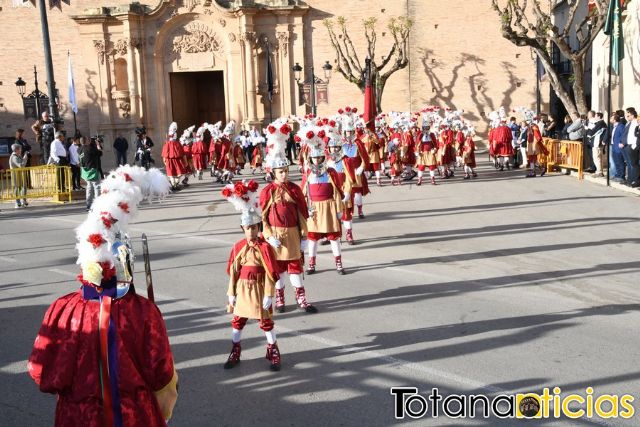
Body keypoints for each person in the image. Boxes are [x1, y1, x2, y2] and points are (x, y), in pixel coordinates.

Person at [28, 166, 178, 426]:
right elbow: (161, 373)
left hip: (78, 416)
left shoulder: (62, 310)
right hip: (133, 415)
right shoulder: (142, 311)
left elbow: (40, 370)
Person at [221, 180, 282, 371]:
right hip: (242, 289)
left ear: (258, 228)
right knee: (238, 321)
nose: (251, 231)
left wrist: (269, 294)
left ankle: (273, 350)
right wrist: (231, 293)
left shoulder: (265, 247)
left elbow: (272, 272)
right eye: (248, 228)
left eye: (254, 227)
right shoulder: (238, 247)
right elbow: (233, 271)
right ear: (243, 229)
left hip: (259, 288)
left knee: (265, 321)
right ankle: (235, 350)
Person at [260, 118, 317, 314]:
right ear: (273, 172)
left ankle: (302, 299)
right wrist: (268, 236)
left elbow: (302, 213)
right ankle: (281, 299)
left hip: (293, 234)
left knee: (295, 268)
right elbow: (263, 219)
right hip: (275, 236)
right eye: (280, 172)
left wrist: (304, 236)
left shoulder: (294, 189)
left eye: (285, 171)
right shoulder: (267, 192)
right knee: (279, 271)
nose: (284, 174)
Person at [300, 126, 346, 275]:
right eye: (314, 158)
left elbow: (338, 191)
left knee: (333, 237)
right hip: (313, 209)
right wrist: (304, 209)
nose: (317, 160)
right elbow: (303, 192)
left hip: (329, 207)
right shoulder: (308, 174)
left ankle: (338, 263)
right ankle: (312, 264)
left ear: (323, 158)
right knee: (312, 238)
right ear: (310, 158)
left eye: (319, 157)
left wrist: (339, 210)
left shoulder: (330, 172)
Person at [78, 136, 102, 211]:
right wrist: (98, 145)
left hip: (85, 171)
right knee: (97, 187)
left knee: (89, 188)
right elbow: (100, 153)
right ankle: (98, 205)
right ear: (86, 141)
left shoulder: (79, 149)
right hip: (93, 170)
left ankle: (88, 205)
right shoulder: (89, 148)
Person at [162, 122, 187, 191]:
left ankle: (173, 185)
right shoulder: (178, 143)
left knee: (171, 174)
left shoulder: (166, 144)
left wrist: (164, 161)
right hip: (177, 160)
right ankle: (176, 184)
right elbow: (183, 154)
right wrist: (185, 162)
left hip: (169, 161)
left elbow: (164, 154)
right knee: (178, 173)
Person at [621, 107, 639, 187]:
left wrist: (634, 146)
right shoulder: (631, 123)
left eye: (628, 115)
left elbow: (636, 135)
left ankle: (635, 180)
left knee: (634, 164)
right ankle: (631, 180)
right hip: (629, 145)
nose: (627, 117)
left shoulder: (636, 123)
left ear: (632, 115)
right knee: (631, 163)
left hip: (633, 146)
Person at [587, 112, 608, 177]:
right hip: (598, 142)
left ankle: (599, 172)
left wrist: (588, 130)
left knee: (596, 157)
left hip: (597, 142)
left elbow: (592, 131)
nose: (595, 118)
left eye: (596, 116)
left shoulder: (600, 123)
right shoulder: (601, 123)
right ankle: (599, 171)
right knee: (599, 157)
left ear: (599, 117)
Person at [9, 143, 29, 208]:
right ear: (17, 150)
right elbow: (21, 165)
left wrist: (24, 157)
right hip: (16, 175)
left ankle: (23, 200)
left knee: (23, 187)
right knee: (17, 188)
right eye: (20, 149)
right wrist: (25, 158)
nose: (21, 150)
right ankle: (17, 202)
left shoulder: (18, 156)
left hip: (20, 175)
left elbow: (22, 163)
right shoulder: (14, 157)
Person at [610, 112, 626, 182]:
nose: (610, 119)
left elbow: (623, 136)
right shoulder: (614, 126)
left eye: (611, 118)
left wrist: (622, 143)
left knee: (620, 162)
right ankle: (617, 174)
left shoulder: (621, 126)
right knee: (616, 161)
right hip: (614, 146)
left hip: (618, 147)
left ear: (615, 120)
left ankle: (622, 176)